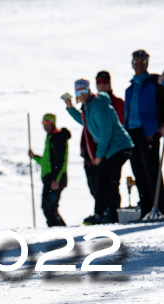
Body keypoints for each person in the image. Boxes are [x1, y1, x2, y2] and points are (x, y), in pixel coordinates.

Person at [67, 79, 134, 224]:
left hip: (120, 147)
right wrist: (71, 108)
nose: (82, 94)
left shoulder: (98, 105)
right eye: (79, 92)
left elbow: (106, 133)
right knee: (109, 180)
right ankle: (111, 213)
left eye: (84, 90)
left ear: (89, 90)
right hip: (114, 149)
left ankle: (100, 214)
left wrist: (99, 156)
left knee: (102, 179)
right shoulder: (89, 107)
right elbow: (85, 121)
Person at [123, 50, 164, 218]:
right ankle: (146, 208)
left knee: (151, 169)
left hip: (149, 130)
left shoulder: (154, 83)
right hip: (131, 131)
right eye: (136, 61)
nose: (139, 64)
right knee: (138, 170)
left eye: (142, 61)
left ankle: (160, 207)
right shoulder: (130, 88)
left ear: (147, 63)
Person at [28, 114, 70, 226]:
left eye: (47, 122)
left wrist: (56, 179)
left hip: (55, 179)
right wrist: (35, 157)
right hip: (49, 178)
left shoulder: (58, 137)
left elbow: (60, 161)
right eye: (43, 123)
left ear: (52, 122)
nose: (45, 125)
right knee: (47, 207)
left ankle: (60, 232)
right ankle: (58, 232)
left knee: (50, 208)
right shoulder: (50, 137)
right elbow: (47, 161)